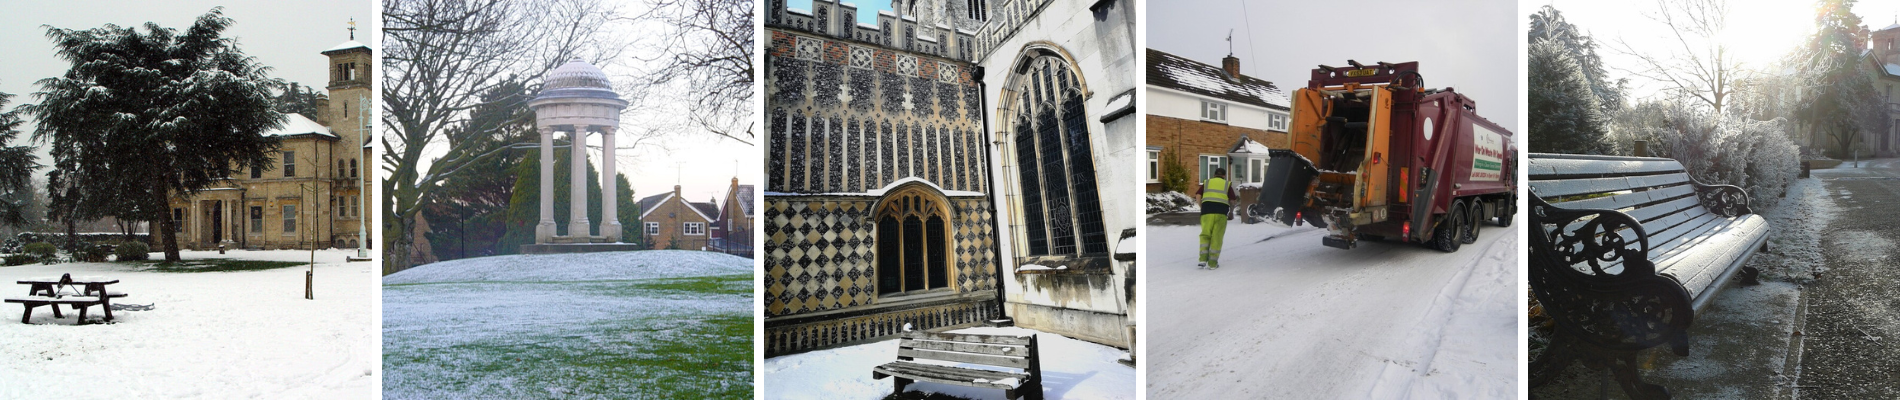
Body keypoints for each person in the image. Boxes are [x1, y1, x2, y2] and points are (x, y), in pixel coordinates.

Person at [1196, 167, 1238, 269]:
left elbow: (1198, 195)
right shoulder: (1227, 185)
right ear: (1224, 176)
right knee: (1217, 237)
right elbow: (1232, 201)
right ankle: (1212, 263)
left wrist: (1202, 207)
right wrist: (1231, 212)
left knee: (1205, 235)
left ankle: (1202, 259)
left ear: (1214, 175)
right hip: (1221, 214)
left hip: (1206, 212)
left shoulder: (1207, 183)